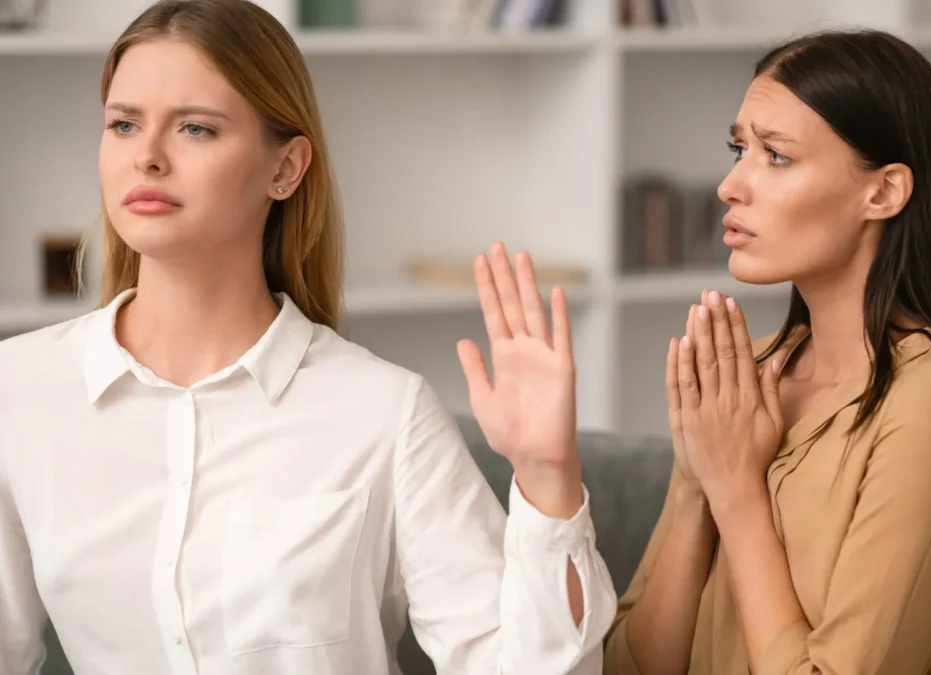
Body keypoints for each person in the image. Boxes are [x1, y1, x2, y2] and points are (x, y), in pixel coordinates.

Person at [0, 1, 617, 674]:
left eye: (196, 129)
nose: (146, 157)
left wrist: (547, 475)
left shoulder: (386, 414)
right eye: (123, 124)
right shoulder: (19, 392)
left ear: (286, 169)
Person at [600, 29, 931, 675]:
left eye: (775, 156)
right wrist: (699, 486)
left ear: (884, 192)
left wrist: (737, 492)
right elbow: (628, 668)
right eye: (738, 149)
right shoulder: (744, 374)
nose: (730, 185)